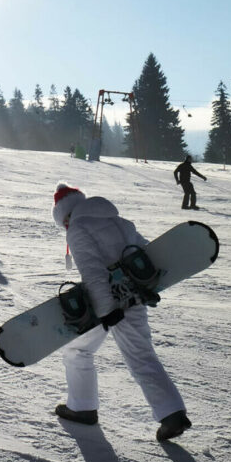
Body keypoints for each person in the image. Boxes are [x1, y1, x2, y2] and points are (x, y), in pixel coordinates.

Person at [50, 183, 192, 441]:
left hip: (105, 304)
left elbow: (93, 272)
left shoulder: (79, 229)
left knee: (76, 349)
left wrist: (106, 311)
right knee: (141, 355)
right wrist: (148, 287)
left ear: (66, 215)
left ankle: (83, 407)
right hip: (134, 297)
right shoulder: (119, 221)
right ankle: (172, 413)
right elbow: (146, 252)